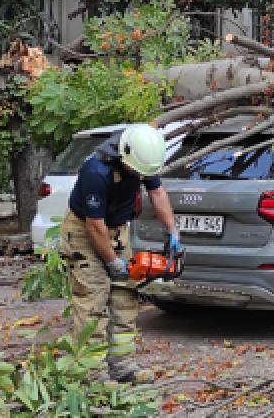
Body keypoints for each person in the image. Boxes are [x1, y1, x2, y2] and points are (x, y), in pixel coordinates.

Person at [59, 123, 182, 383]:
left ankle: (123, 365)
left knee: (125, 297)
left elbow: (157, 192)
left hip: (116, 230)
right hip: (85, 231)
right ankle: (91, 374)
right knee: (93, 300)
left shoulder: (142, 155)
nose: (140, 175)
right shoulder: (95, 171)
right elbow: (94, 227)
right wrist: (113, 262)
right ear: (124, 155)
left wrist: (172, 231)